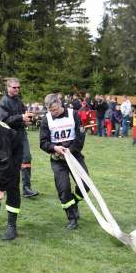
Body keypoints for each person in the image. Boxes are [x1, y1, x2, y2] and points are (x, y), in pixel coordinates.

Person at [39, 93, 89, 230]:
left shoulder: (74, 115)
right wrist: (54, 148)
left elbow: (80, 137)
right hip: (58, 160)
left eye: (54, 110)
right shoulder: (46, 120)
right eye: (50, 111)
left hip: (74, 156)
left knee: (85, 185)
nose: (53, 113)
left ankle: (74, 202)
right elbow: (43, 143)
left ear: (60, 103)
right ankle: (71, 217)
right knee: (63, 188)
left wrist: (70, 151)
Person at [0, 78, 39, 198]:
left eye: (18, 87)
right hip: (9, 136)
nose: (17, 89)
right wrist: (20, 117)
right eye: (14, 87)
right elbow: (3, 120)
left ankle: (26, 188)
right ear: (8, 88)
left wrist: (27, 121)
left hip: (21, 135)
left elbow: (23, 116)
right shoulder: (3, 102)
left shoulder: (18, 101)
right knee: (8, 163)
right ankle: (1, 187)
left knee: (26, 159)